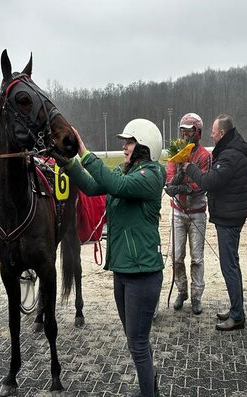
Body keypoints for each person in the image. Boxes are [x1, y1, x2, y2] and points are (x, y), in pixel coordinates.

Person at [64, 119, 165, 397]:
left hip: (143, 275)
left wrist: (84, 152)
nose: (124, 147)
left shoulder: (151, 175)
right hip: (123, 271)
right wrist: (68, 162)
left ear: (144, 146)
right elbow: (92, 184)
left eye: (129, 142)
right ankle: (151, 386)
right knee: (137, 341)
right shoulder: (127, 171)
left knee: (138, 344)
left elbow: (115, 184)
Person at [182, 114, 247, 331]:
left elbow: (210, 181)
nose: (211, 134)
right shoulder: (232, 151)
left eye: (213, 131)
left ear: (222, 133)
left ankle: (238, 316)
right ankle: (236, 308)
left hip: (229, 218)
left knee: (229, 266)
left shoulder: (229, 155)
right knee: (232, 264)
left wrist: (189, 168)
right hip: (231, 215)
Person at [164, 113, 212, 315]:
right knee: (176, 257)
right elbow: (168, 178)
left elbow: (202, 184)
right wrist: (173, 183)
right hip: (177, 212)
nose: (185, 135)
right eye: (182, 131)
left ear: (198, 133)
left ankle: (197, 296)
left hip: (197, 213)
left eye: (189, 131)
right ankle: (181, 291)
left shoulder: (204, 156)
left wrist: (184, 187)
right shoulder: (175, 153)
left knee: (197, 258)